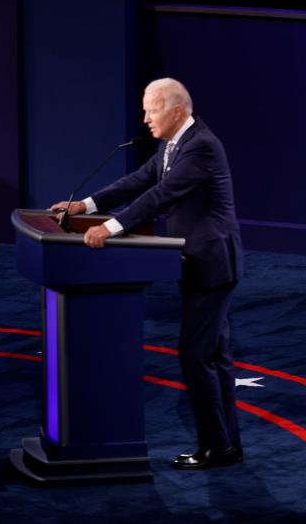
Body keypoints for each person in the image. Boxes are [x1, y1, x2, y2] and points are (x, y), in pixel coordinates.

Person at [51, 78, 244, 470]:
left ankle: (214, 447)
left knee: (195, 356)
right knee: (214, 357)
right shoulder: (174, 144)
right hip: (196, 263)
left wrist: (109, 229)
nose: (145, 119)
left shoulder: (201, 147)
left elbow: (160, 196)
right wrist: (85, 206)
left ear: (176, 111)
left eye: (151, 110)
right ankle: (225, 445)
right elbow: (139, 181)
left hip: (212, 264)